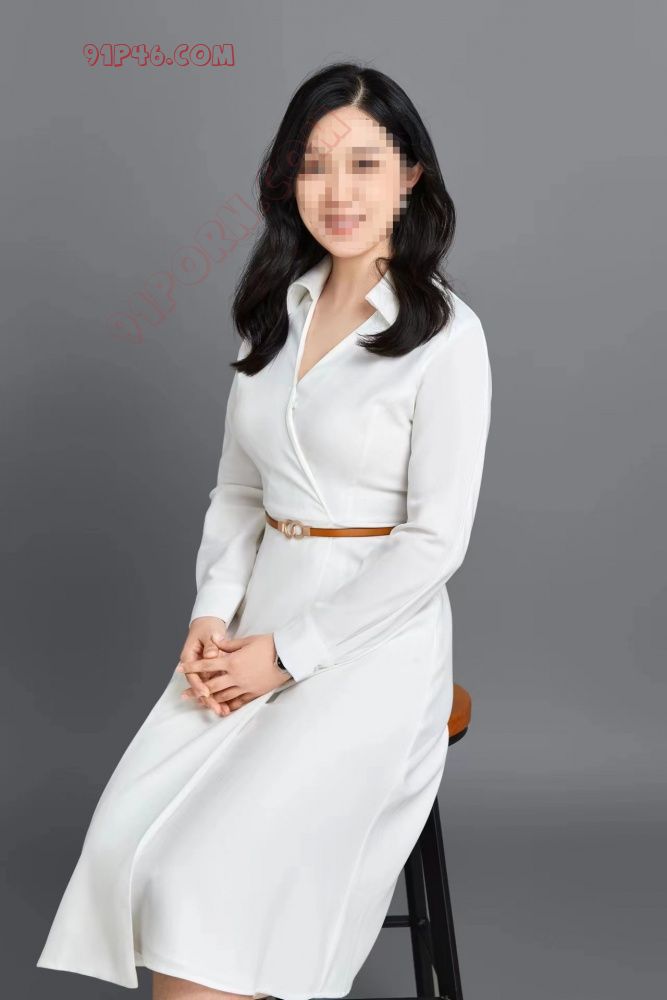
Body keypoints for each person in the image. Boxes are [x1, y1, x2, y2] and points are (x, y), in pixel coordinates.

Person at [36, 61, 493, 1000]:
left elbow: (435, 542)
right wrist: (212, 614)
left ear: (409, 176)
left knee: (199, 876)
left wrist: (284, 657)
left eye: (363, 164)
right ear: (288, 178)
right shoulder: (274, 312)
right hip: (256, 618)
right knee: (129, 838)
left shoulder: (446, 335)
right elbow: (240, 491)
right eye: (314, 165)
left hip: (370, 648)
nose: (338, 191)